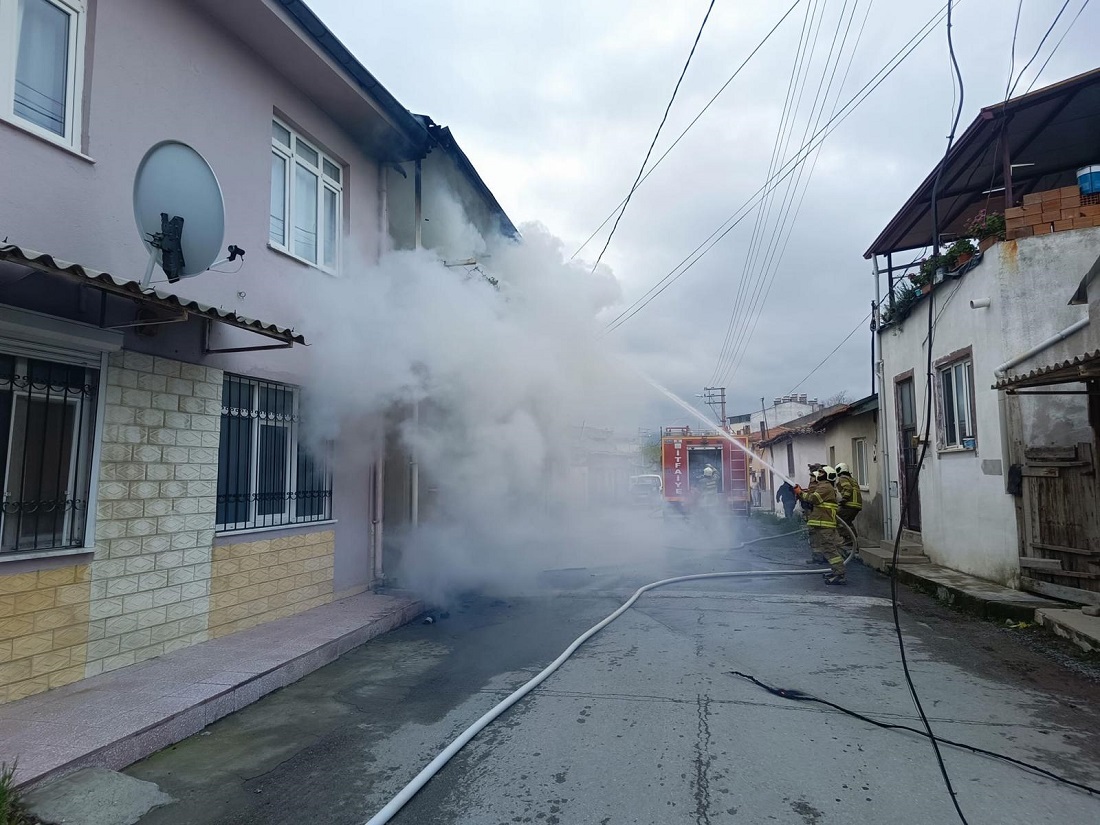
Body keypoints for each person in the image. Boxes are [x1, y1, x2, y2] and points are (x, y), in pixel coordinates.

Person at [795, 468, 846, 585]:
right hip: (822, 522)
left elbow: (814, 499)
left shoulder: (825, 486)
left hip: (825, 523)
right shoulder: (823, 486)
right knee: (827, 548)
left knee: (830, 548)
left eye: (823, 473)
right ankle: (836, 571)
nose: (820, 474)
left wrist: (800, 493)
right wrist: (801, 493)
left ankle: (840, 574)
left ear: (829, 475)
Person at [834, 462, 862, 550]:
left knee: (839, 520)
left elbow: (848, 489)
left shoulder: (843, 478)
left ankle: (848, 539)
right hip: (856, 505)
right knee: (848, 522)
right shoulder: (851, 479)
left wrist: (844, 499)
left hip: (850, 504)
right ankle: (853, 539)